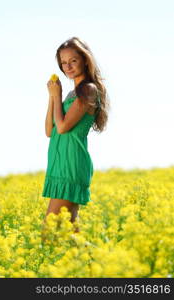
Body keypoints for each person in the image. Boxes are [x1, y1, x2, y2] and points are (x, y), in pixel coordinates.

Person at [41, 36, 110, 240]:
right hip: (60, 164)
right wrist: (53, 96)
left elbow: (61, 127)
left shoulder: (88, 90)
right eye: (63, 62)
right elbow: (48, 130)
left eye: (73, 60)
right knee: (70, 233)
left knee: (50, 231)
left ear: (84, 60)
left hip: (71, 164)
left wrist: (56, 96)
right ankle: (97, 267)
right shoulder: (71, 93)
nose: (68, 66)